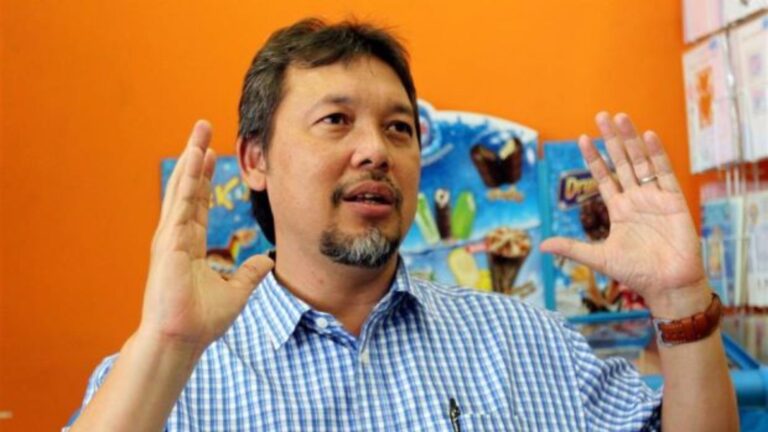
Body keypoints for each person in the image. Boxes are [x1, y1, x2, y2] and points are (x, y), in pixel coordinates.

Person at [68, 18, 738, 431]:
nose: (376, 151)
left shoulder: (527, 341)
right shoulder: (168, 373)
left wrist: (681, 299)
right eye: (336, 120)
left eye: (398, 128)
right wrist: (166, 344)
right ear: (255, 160)